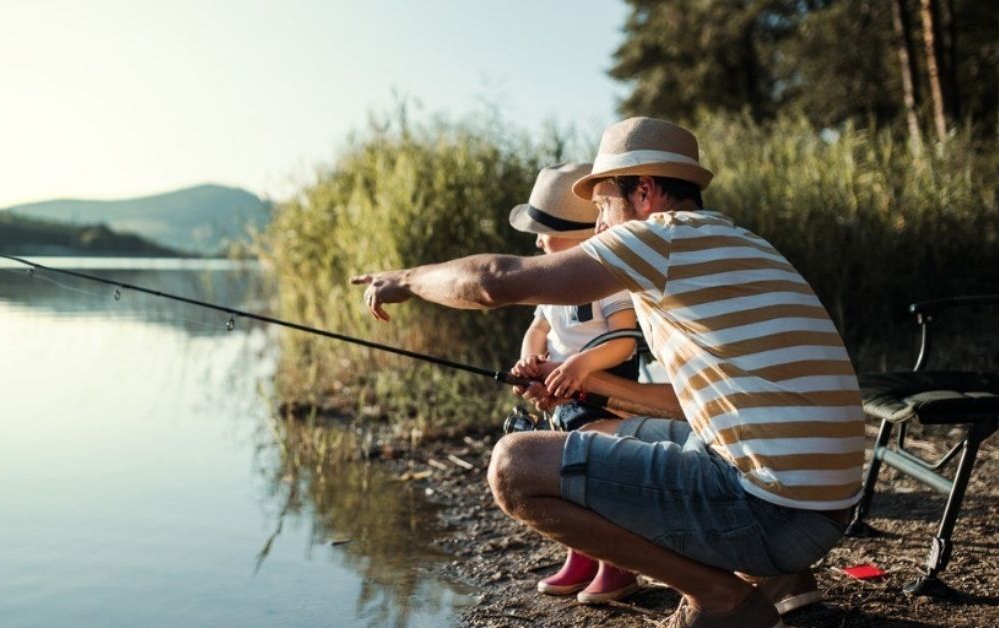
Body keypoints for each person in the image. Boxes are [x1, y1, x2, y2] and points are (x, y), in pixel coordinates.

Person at [351, 117, 862, 628]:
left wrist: (408, 279)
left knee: (515, 467)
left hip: (771, 514)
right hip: (826, 512)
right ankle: (773, 579)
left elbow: (494, 282)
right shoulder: (741, 244)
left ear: (643, 192)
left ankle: (723, 600)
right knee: (632, 432)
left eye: (602, 207)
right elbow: (693, 408)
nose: (597, 226)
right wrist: (588, 382)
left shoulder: (658, 239)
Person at [507, 162, 641, 604]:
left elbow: (624, 341)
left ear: (582, 235)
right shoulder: (552, 283)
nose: (538, 240)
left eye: (546, 230)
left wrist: (582, 366)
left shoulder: (610, 281)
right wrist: (531, 358)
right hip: (562, 397)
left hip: (605, 394)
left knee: (595, 474)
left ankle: (616, 564)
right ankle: (580, 553)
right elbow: (538, 329)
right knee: (565, 473)